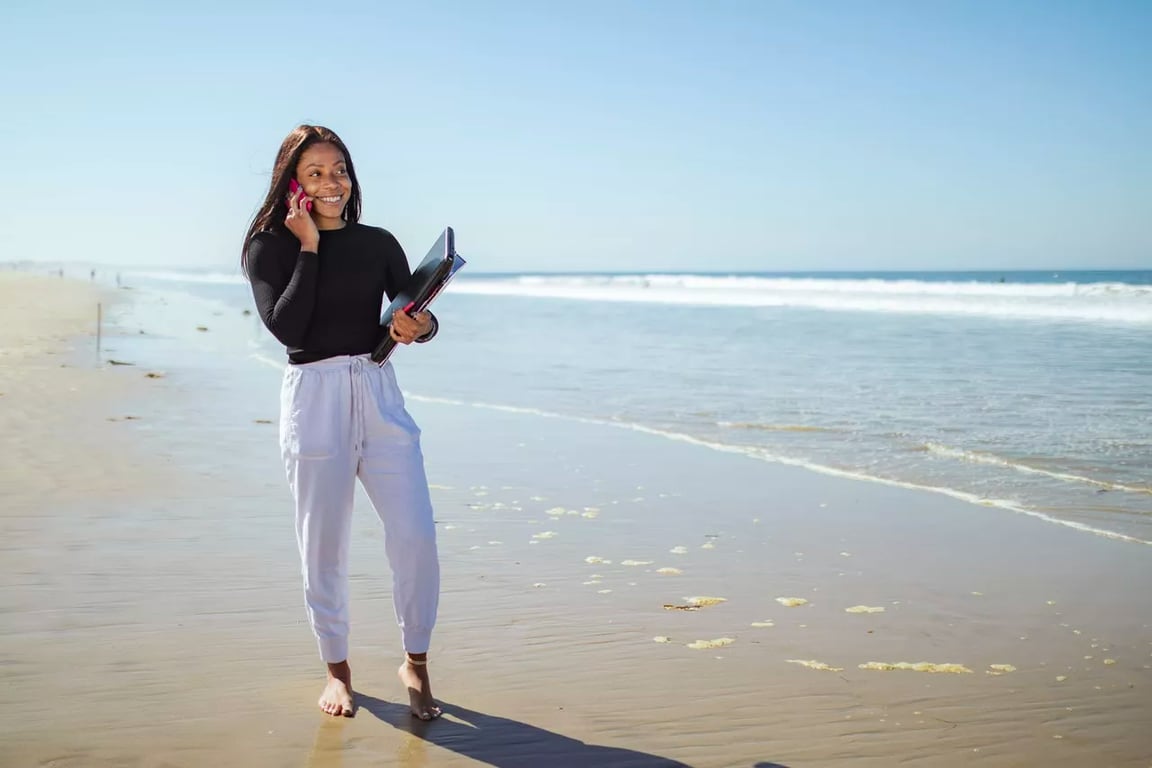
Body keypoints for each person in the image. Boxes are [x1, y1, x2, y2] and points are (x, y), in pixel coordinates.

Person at [241, 124, 442, 720]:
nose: (332, 183)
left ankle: (416, 662)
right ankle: (337, 670)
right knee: (322, 544)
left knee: (416, 535)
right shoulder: (268, 248)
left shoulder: (378, 242)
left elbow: (413, 312)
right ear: (292, 185)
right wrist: (307, 245)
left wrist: (419, 327)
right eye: (316, 173)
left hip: (378, 391)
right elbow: (288, 329)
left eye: (339, 170)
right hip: (314, 397)